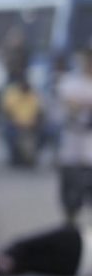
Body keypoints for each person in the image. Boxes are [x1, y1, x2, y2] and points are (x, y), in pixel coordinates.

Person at [57, 49, 92, 222]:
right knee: (71, 192)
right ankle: (69, 223)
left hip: (89, 143)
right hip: (72, 141)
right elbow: (69, 103)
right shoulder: (71, 81)